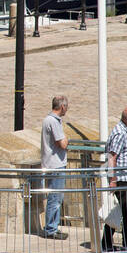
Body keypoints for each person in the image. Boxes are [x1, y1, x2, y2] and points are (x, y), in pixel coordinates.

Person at [103, 106, 127, 251]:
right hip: (121, 178)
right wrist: (113, 180)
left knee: (126, 210)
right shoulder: (120, 133)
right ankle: (121, 242)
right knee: (125, 211)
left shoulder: (126, 131)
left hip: (126, 177)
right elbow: (112, 157)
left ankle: (122, 241)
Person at [41, 95, 70, 240]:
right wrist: (67, 140)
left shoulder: (51, 120)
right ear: (62, 107)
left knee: (56, 197)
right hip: (55, 164)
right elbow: (63, 143)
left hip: (53, 163)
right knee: (55, 197)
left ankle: (53, 227)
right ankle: (51, 229)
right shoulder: (53, 121)